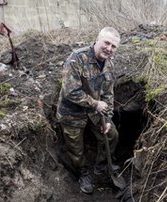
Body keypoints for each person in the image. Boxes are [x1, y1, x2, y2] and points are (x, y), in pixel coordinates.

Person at [56, 27, 121, 194]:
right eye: (107, 43)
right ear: (97, 40)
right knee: (76, 149)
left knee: (111, 134)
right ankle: (83, 173)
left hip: (94, 113)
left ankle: (101, 166)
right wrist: (95, 104)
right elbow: (70, 91)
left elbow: (108, 95)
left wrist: (107, 119)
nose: (109, 48)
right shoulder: (77, 58)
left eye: (113, 46)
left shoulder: (109, 65)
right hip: (71, 113)